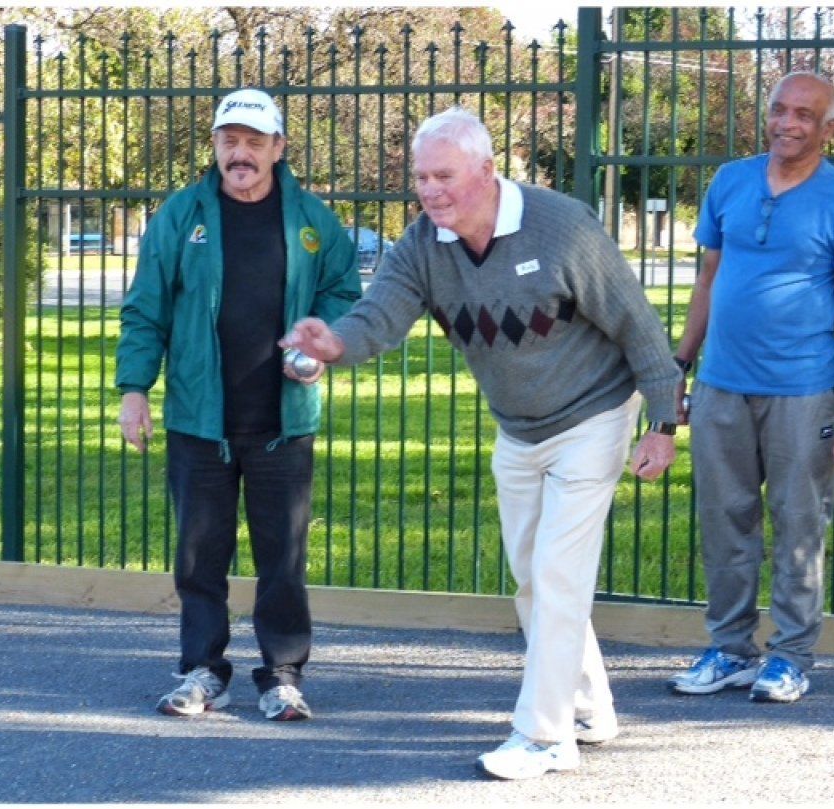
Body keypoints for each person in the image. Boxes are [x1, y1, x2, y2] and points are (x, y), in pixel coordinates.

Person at [281, 106, 681, 780]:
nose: (430, 191)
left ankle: (544, 736)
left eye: (444, 176)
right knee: (532, 576)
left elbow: (637, 324)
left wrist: (664, 424)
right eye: (421, 177)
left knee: (557, 572)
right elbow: (381, 314)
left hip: (595, 411)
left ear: (489, 171)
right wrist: (336, 342)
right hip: (519, 426)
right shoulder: (423, 245)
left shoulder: (562, 227)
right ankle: (586, 705)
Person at [115, 88, 361, 721]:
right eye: (230, 141)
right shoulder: (181, 216)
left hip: (284, 421)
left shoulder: (312, 220)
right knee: (200, 558)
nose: (240, 154)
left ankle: (282, 676)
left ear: (279, 148)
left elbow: (343, 290)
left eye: (254, 142)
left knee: (283, 559)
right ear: (215, 147)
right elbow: (145, 308)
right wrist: (134, 389)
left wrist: (319, 340)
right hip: (200, 420)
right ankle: (203, 670)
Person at [668, 72, 834, 703]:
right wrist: (680, 366)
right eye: (779, 110)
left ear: (829, 127)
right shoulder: (730, 181)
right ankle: (731, 649)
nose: (788, 123)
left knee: (798, 525)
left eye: (804, 115)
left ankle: (790, 657)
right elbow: (708, 280)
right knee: (724, 521)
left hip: (801, 391)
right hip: (720, 385)